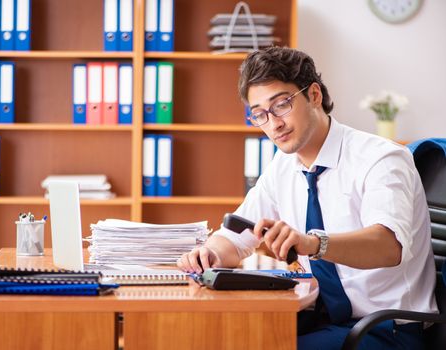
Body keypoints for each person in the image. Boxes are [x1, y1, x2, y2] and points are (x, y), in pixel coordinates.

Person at [177, 46, 438, 349]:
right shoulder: (284, 165)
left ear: (314, 95)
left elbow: (388, 246)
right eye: (260, 114)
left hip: (385, 329)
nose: (274, 124)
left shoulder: (381, 158)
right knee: (223, 336)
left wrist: (313, 244)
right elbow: (236, 236)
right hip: (321, 316)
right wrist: (210, 254)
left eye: (281, 105)